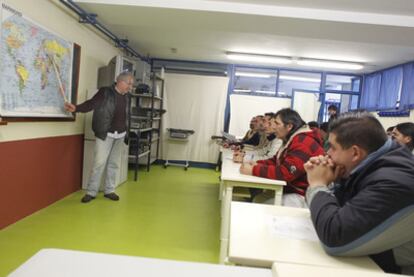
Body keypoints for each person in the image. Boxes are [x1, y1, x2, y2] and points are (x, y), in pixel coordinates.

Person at [304, 111, 414, 274]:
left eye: (333, 148)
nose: (327, 154)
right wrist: (330, 180)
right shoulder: (371, 163)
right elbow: (340, 210)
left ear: (355, 153)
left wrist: (318, 184)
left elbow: (335, 238)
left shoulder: (394, 181)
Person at [64, 72, 134, 203]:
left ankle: (109, 190)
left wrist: (127, 131)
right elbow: (91, 104)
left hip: (121, 134)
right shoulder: (105, 92)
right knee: (99, 163)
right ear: (120, 81)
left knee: (114, 164)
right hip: (105, 133)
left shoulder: (128, 97)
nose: (130, 87)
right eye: (129, 84)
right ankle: (91, 192)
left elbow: (127, 114)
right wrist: (76, 108)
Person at [239, 108, 324, 207]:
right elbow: (275, 160)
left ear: (289, 126)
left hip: (304, 195)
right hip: (292, 189)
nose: (273, 127)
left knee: (261, 204)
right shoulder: (291, 139)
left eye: (277, 123)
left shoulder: (302, 142)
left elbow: (286, 173)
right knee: (258, 199)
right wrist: (257, 164)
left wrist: (254, 170)